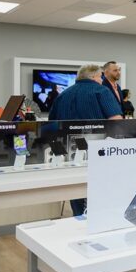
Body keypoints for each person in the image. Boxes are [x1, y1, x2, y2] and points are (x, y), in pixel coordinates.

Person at [49, 63, 122, 215]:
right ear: (94, 76)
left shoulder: (63, 95)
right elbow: (116, 121)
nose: (102, 80)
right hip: (98, 150)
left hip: (69, 150)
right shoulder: (102, 91)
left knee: (76, 187)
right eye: (101, 77)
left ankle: (78, 218)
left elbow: (51, 123)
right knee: (100, 189)